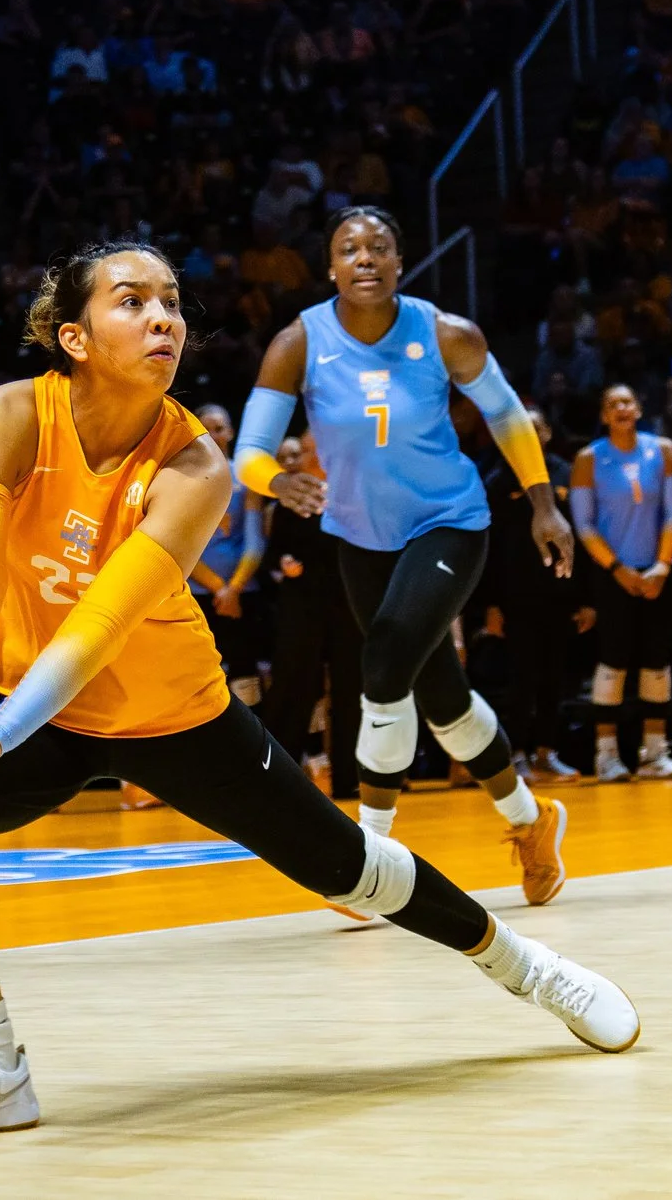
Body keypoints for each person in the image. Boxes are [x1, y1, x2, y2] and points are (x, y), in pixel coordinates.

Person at [0, 243, 635, 1142]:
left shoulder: (198, 467)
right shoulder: (7, 416)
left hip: (173, 712)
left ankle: (532, 969)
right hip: (28, 700)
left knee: (357, 870)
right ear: (73, 336)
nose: (163, 318)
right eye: (132, 301)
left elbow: (97, 631)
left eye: (172, 302)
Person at [235, 207, 573, 903]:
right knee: (442, 699)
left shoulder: (447, 333)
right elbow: (247, 455)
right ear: (330, 267)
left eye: (379, 247)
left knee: (384, 660)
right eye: (349, 248)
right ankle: (531, 821)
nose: (365, 257)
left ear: (398, 262)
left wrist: (543, 502)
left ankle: (371, 859)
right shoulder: (299, 342)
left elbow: (509, 416)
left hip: (450, 522)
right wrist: (280, 479)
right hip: (361, 537)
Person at [570, 384, 672, 779]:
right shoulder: (589, 459)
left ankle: (655, 753)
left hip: (658, 571)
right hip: (613, 574)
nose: (620, 408)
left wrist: (662, 567)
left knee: (657, 659)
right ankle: (607, 756)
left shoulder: (664, 451)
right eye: (611, 404)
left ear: (638, 408)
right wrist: (618, 570)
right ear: (604, 416)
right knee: (613, 660)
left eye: (626, 401)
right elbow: (584, 526)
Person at [486, 409, 587, 780]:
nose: (531, 432)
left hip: (559, 594)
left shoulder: (565, 472)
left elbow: (581, 532)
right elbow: (490, 548)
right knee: (522, 679)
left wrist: (584, 598)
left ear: (547, 433)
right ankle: (517, 754)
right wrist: (492, 605)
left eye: (537, 426)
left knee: (555, 678)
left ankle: (547, 753)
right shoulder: (498, 479)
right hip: (517, 597)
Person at [258, 432, 351, 793]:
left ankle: (350, 775)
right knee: (294, 681)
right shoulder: (288, 501)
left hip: (345, 599)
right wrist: (283, 565)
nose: (307, 458)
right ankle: (279, 773)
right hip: (302, 599)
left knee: (351, 684)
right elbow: (273, 556)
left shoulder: (347, 493)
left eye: (312, 451)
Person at [190, 403, 268, 707]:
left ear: (231, 432)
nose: (213, 434)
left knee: (245, 671)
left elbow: (255, 542)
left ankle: (252, 744)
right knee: (201, 675)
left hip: (243, 593)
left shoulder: (247, 479)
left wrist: (233, 589)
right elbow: (185, 548)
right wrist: (219, 589)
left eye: (219, 428)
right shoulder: (184, 480)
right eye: (206, 428)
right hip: (199, 595)